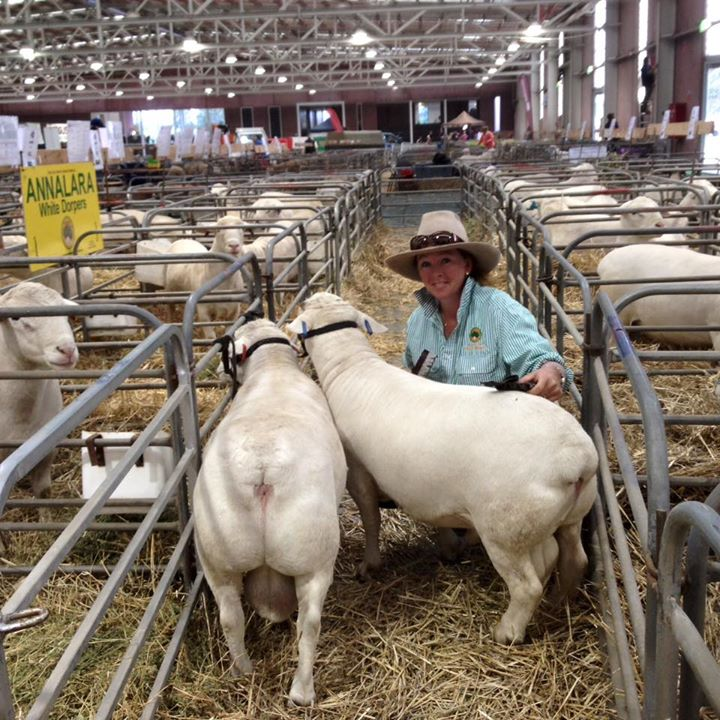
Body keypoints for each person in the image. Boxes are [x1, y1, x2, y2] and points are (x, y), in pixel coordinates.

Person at [385, 211, 571, 401]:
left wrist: (551, 371)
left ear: (467, 265)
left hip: (489, 426)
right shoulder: (417, 321)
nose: (436, 272)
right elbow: (412, 375)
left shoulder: (499, 309)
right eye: (426, 264)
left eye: (446, 260)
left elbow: (538, 357)